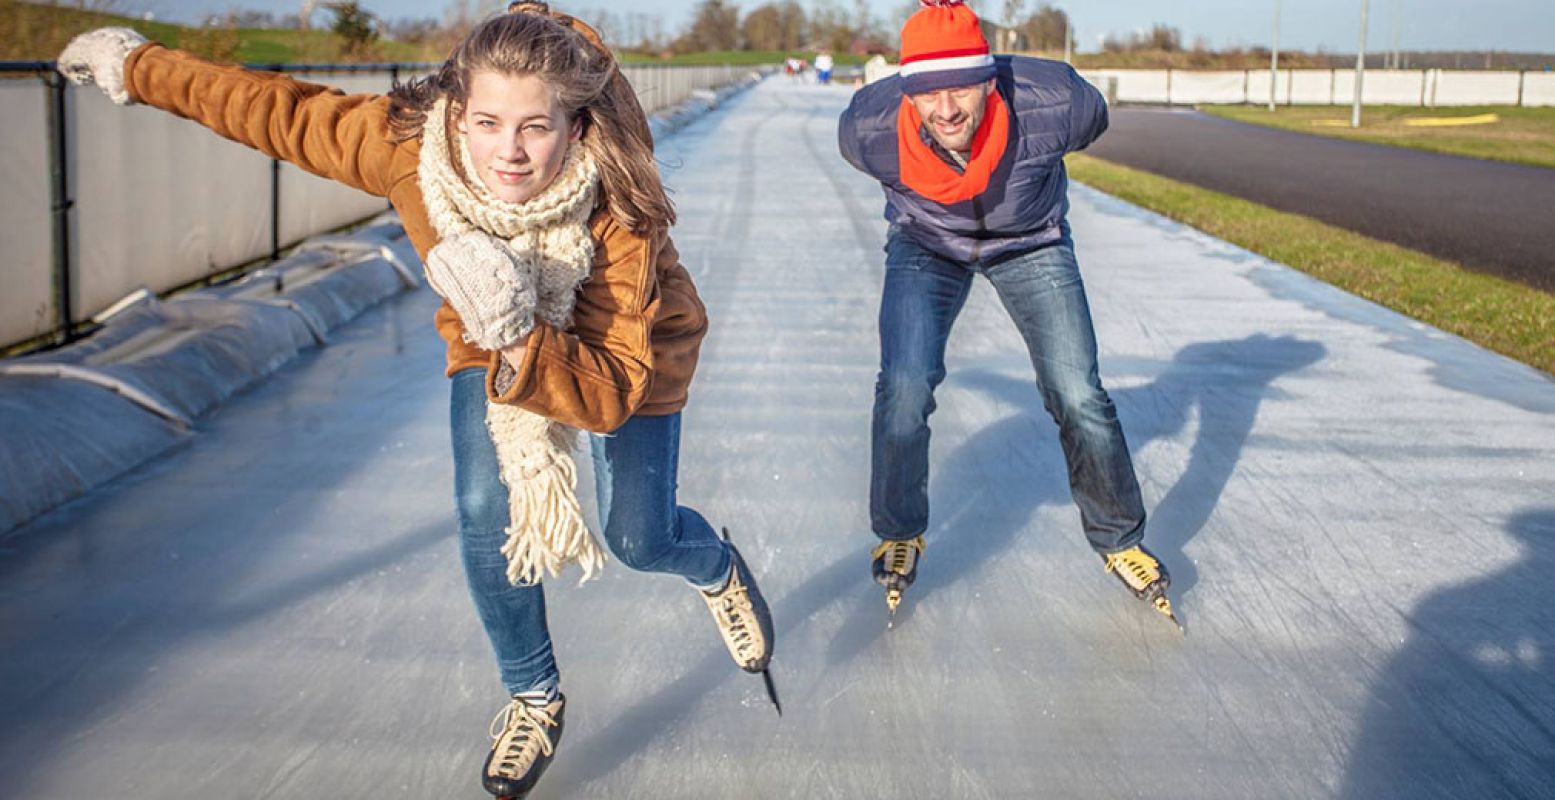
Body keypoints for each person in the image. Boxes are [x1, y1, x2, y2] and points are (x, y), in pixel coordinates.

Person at [57, 4, 776, 798]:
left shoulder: (617, 209)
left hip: (628, 351)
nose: (508, 151)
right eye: (488, 122)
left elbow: (607, 394)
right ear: (454, 111)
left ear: (574, 129)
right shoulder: (407, 146)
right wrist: (134, 65)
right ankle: (533, 695)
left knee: (639, 537)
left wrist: (517, 337)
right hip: (485, 330)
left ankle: (715, 566)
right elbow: (272, 110)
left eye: (535, 127)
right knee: (481, 502)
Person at [837, 0, 1180, 629]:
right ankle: (899, 529)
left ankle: (1119, 537)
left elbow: (1096, 113)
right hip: (927, 244)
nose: (946, 111)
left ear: (990, 79)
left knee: (1078, 392)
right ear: (907, 97)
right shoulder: (868, 129)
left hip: (1030, 243)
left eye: (961, 88)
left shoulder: (1059, 105)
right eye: (927, 94)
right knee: (905, 387)